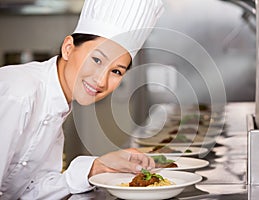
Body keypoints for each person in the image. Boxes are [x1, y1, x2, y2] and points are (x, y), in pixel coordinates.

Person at [0, 0, 164, 199]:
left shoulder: (58, 103)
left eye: (116, 71)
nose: (101, 80)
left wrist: (97, 167)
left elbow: (28, 191)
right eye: (96, 60)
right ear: (68, 48)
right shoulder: (20, 92)